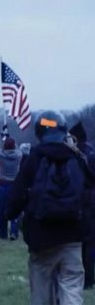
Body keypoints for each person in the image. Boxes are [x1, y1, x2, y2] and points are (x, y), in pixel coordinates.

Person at [7, 111, 94, 305]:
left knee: (41, 290)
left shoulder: (33, 159)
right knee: (71, 286)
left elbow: (16, 196)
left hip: (42, 236)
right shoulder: (77, 158)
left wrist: (11, 215)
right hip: (73, 234)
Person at [69, 121, 95, 290]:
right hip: (88, 200)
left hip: (86, 201)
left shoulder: (84, 155)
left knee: (85, 243)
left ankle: (87, 278)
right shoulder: (89, 152)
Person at [0, 131, 22, 240]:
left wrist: (0, 136)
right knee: (14, 210)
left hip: (3, 185)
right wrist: (10, 138)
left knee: (1, 211)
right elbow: (18, 148)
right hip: (14, 185)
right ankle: (14, 232)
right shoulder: (18, 156)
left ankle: (3, 233)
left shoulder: (1, 155)